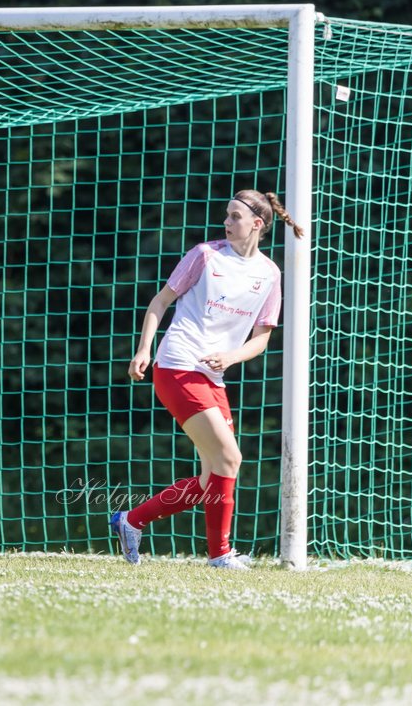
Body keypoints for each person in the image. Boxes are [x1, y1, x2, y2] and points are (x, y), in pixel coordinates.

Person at [112, 189, 304, 569]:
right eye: (227, 215)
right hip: (177, 365)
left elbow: (262, 337)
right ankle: (220, 555)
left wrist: (231, 356)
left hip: (212, 377)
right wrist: (144, 349)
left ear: (257, 224)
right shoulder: (205, 255)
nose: (227, 222)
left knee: (211, 478)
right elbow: (160, 302)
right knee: (229, 458)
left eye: (235, 217)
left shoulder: (268, 274)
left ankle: (131, 521)